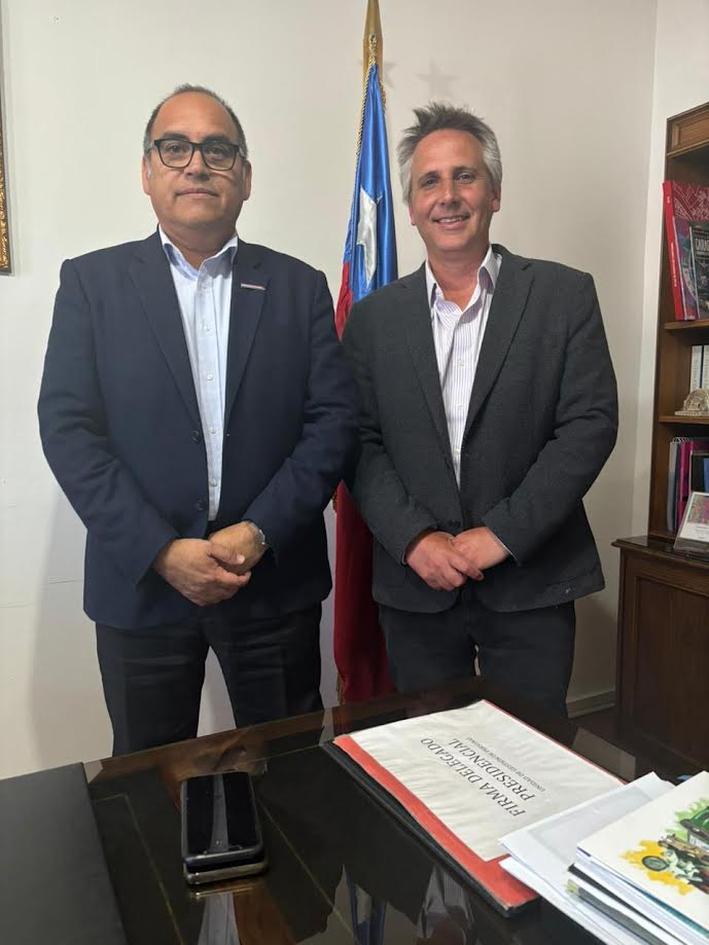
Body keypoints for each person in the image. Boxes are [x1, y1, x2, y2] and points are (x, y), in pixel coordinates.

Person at [38, 85, 357, 753]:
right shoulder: (92, 284)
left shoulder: (298, 286)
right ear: (146, 170)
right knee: (149, 779)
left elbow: (331, 423)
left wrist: (260, 530)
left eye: (217, 150)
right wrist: (160, 549)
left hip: (272, 580)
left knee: (293, 771)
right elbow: (68, 428)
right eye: (174, 148)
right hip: (142, 587)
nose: (196, 165)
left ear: (245, 176)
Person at [342, 103, 617, 715]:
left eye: (464, 176)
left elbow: (588, 427)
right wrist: (415, 539)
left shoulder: (564, 295)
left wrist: (502, 535)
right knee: (430, 751)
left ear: (494, 193)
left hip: (532, 580)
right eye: (429, 182)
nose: (448, 196)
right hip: (417, 585)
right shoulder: (372, 320)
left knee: (533, 749)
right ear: (410, 206)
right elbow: (358, 442)